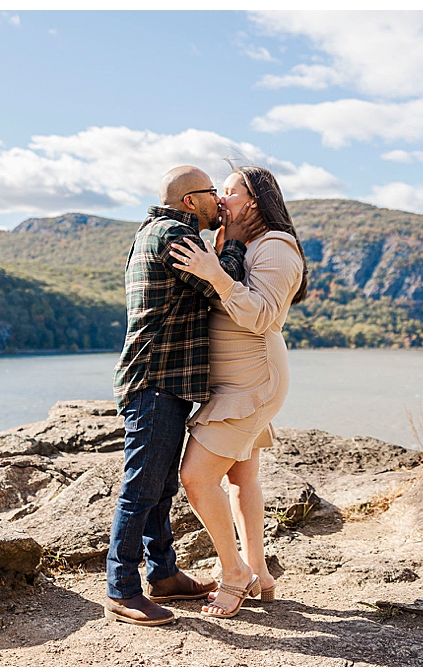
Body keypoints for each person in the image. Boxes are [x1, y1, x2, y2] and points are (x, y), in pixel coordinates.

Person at [171, 167, 311, 617]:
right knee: (240, 477)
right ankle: (259, 572)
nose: (220, 198)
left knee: (196, 477)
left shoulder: (276, 248)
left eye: (228, 191)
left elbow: (264, 316)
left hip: (252, 380)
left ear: (252, 201)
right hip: (230, 377)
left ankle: (234, 573)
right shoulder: (237, 246)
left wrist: (217, 275)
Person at [104, 165, 226, 627]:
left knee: (161, 487)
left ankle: (164, 574)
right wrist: (233, 235)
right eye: (213, 193)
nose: (220, 200)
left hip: (162, 382)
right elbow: (222, 278)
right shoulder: (175, 235)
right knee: (141, 488)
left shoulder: (154, 232)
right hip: (155, 382)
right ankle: (122, 589)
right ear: (190, 201)